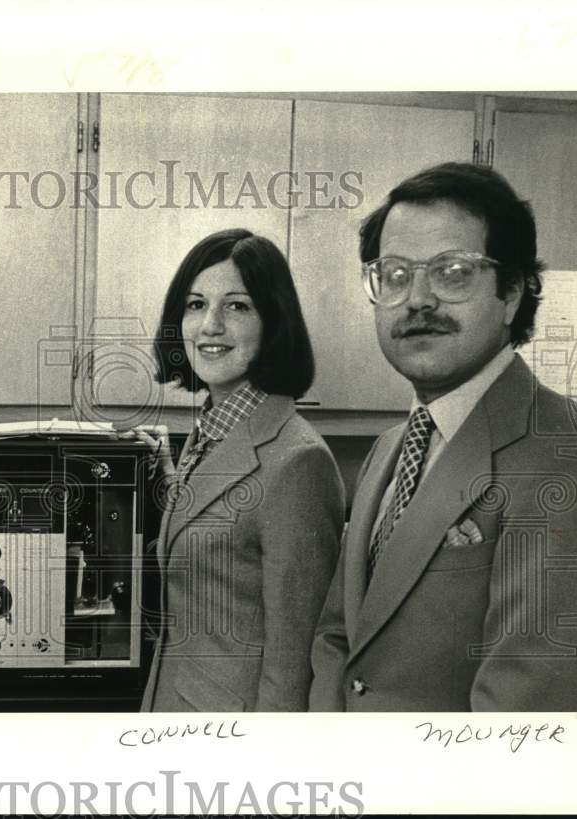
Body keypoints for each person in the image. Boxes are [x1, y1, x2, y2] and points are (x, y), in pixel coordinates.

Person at [309, 162, 577, 711]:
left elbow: (525, 726)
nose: (417, 298)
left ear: (511, 293)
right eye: (395, 274)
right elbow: (338, 638)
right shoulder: (388, 447)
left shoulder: (574, 454)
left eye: (453, 271)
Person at [137, 228, 345, 712]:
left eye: (236, 306)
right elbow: (224, 542)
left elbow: (293, 661)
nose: (209, 325)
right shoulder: (209, 432)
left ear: (274, 323)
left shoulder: (300, 463)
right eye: (194, 305)